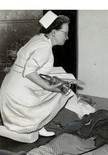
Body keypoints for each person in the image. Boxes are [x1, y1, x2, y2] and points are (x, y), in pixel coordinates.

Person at [0, 11, 76, 143]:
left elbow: (33, 68)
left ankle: (38, 125)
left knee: (62, 88)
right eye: (64, 33)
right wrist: (48, 86)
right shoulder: (44, 48)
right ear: (53, 32)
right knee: (29, 138)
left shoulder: (40, 38)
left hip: (13, 89)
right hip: (16, 98)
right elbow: (29, 72)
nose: (67, 37)